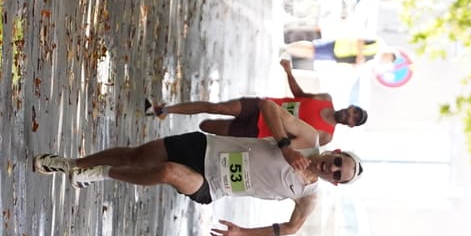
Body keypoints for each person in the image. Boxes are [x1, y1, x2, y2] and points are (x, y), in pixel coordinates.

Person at [32, 99, 362, 236]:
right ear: (333, 151)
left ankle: (101, 173)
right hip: (205, 148)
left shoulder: (308, 197)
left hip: (210, 186)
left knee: (167, 172)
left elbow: (291, 229)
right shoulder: (308, 139)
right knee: (135, 156)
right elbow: (268, 107)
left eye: (337, 174)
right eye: (337, 162)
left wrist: (242, 233)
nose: (331, 168)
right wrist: (284, 145)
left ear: (334, 184)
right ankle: (70, 164)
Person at [150, 61, 368, 149]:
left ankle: (173, 144)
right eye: (353, 111)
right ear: (350, 107)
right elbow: (300, 94)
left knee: (206, 126)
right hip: (262, 107)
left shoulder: (326, 136)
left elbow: (291, 146)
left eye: (353, 119)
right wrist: (288, 72)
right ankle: (164, 109)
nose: (350, 115)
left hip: (258, 131)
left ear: (350, 125)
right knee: (217, 107)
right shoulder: (325, 98)